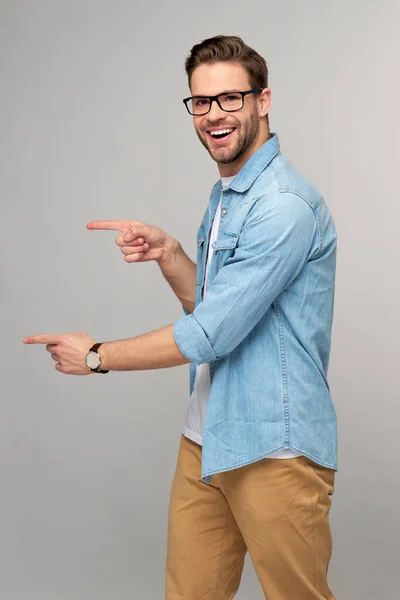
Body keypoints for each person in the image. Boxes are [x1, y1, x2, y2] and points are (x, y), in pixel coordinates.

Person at [24, 35, 338, 600]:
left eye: (230, 99)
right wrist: (171, 255)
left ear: (263, 101)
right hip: (207, 439)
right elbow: (215, 312)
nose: (214, 115)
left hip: (272, 448)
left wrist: (97, 358)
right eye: (200, 101)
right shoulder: (227, 196)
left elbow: (208, 334)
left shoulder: (283, 205)